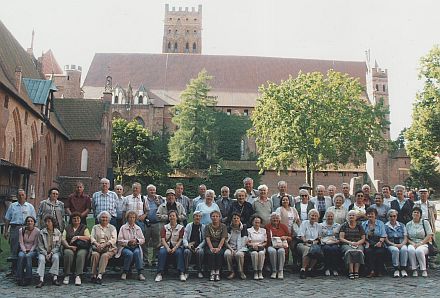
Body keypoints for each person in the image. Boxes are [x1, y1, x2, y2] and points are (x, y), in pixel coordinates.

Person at [3, 189, 36, 275]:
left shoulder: (30, 206)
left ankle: (23, 269)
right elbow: (7, 218)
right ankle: (13, 269)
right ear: (17, 196)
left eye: (22, 195)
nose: (21, 197)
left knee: (24, 248)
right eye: (19, 195)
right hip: (15, 228)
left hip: (26, 229)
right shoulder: (12, 206)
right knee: (14, 248)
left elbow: (34, 219)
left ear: (25, 196)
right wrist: (6, 231)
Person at [155, 210, 186, 282]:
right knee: (162, 252)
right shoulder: (164, 227)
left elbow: (181, 239)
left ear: (176, 217)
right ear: (168, 218)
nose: (172, 217)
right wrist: (167, 248)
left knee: (179, 252)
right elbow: (163, 239)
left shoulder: (181, 228)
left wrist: (175, 248)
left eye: (173, 216)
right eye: (170, 216)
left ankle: (181, 273)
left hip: (177, 246)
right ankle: (159, 273)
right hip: (167, 246)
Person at [61, 212, 90, 286]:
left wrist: (78, 237)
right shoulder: (67, 228)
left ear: (80, 219)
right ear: (71, 219)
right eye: (74, 218)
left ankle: (78, 275)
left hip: (81, 247)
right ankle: (67, 274)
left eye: (78, 218)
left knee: (81, 254)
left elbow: (88, 237)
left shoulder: (84, 227)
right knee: (68, 253)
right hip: (69, 247)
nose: (76, 220)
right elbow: (63, 239)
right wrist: (69, 247)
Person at [116, 210, 146, 281]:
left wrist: (137, 241)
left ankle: (140, 273)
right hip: (125, 247)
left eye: (133, 217)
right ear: (127, 218)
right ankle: (125, 272)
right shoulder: (123, 227)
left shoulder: (138, 228)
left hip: (135, 246)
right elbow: (119, 240)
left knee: (136, 253)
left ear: (135, 219)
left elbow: (143, 239)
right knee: (129, 254)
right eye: (130, 217)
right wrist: (128, 242)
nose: (132, 219)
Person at [90, 211, 117, 284]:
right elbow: (92, 237)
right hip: (97, 247)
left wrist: (105, 244)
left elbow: (113, 239)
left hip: (109, 248)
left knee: (104, 256)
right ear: (99, 218)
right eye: (103, 217)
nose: (104, 219)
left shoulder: (112, 228)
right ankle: (93, 274)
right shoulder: (95, 227)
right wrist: (97, 244)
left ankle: (100, 275)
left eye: (106, 217)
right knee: (95, 254)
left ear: (109, 219)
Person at [406, 206, 433, 277]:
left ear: (420, 214)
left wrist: (421, 243)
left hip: (424, 243)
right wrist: (412, 243)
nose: (416, 214)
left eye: (418, 212)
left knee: (419, 251)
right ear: (411, 214)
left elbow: (429, 235)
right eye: (414, 212)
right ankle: (414, 269)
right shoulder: (408, 224)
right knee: (410, 250)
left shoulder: (425, 222)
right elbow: (406, 237)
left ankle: (423, 269)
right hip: (412, 243)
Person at [36, 215, 62, 288]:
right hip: (43, 252)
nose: (47, 223)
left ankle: (55, 278)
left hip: (53, 252)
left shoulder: (57, 233)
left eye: (49, 221)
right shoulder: (42, 232)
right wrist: (45, 253)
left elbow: (58, 246)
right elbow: (40, 245)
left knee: (56, 258)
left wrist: (51, 253)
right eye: (46, 222)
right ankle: (41, 279)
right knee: (41, 259)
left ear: (53, 222)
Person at [339, 210, 366, 279]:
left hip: (358, 243)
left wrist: (357, 243)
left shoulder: (359, 226)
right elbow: (341, 238)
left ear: (356, 217)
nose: (351, 216)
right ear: (347, 217)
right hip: (346, 244)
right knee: (350, 251)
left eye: (353, 215)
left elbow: (363, 238)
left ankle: (356, 271)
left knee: (359, 251)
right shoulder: (344, 225)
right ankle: (351, 271)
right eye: (350, 215)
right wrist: (350, 242)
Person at [362, 207, 387, 277]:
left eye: (372, 214)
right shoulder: (363, 224)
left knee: (380, 252)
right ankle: (371, 270)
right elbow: (362, 236)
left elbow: (383, 234)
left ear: (375, 215)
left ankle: (379, 271)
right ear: (366, 215)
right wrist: (367, 236)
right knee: (368, 251)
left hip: (378, 241)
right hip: (368, 242)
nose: (370, 216)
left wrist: (380, 242)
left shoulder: (380, 223)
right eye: (368, 214)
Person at [297, 209, 322, 279]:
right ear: (309, 216)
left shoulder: (318, 226)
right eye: (312, 215)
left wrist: (314, 242)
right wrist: (305, 241)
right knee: (307, 249)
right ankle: (303, 270)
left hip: (314, 243)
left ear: (317, 217)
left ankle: (310, 269)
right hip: (303, 243)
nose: (313, 217)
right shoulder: (304, 223)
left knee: (315, 249)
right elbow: (301, 235)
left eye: (315, 216)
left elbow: (320, 237)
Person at [144, 184, 164, 266]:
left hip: (156, 223)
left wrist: (158, 203)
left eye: (153, 190)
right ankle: (145, 260)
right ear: (147, 191)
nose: (152, 192)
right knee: (145, 241)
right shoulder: (144, 199)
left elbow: (163, 209)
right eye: (150, 190)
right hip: (147, 223)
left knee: (157, 242)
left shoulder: (159, 198)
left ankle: (154, 260)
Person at [204, 210, 228, 281]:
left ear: (219, 217)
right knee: (210, 253)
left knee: (219, 254)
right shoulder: (208, 226)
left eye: (217, 216)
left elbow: (223, 238)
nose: (215, 218)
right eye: (213, 216)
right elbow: (207, 238)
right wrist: (211, 248)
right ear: (210, 217)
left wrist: (219, 248)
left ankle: (217, 272)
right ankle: (212, 272)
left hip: (220, 245)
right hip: (210, 245)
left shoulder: (223, 226)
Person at [266, 212, 290, 279]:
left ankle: (280, 270)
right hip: (271, 245)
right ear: (271, 219)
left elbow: (290, 237)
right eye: (273, 218)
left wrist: (285, 237)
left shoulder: (283, 226)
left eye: (277, 218)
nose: (275, 220)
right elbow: (264, 237)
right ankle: (274, 270)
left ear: (279, 219)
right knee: (272, 251)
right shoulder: (267, 226)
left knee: (281, 251)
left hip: (281, 245)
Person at [385, 209, 409, 278]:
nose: (392, 218)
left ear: (396, 216)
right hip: (391, 243)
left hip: (401, 242)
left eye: (394, 216)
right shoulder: (385, 226)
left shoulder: (402, 225)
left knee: (404, 249)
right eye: (391, 216)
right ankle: (396, 269)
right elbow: (386, 240)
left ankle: (403, 268)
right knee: (395, 250)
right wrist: (394, 244)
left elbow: (405, 237)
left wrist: (402, 244)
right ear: (388, 217)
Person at [16, 216, 39, 286]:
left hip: (33, 250)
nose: (30, 222)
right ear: (26, 222)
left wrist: (30, 250)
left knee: (28, 256)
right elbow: (21, 242)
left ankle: (28, 277)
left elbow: (36, 243)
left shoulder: (37, 231)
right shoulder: (21, 230)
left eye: (31, 221)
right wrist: (24, 250)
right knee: (20, 256)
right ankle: (19, 278)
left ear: (34, 222)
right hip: (23, 249)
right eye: (28, 221)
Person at [224, 212, 248, 280]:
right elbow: (226, 242)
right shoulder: (228, 228)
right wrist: (231, 250)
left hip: (241, 247)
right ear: (231, 219)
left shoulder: (244, 228)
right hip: (230, 247)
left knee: (239, 255)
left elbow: (245, 241)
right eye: (234, 218)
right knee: (227, 254)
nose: (236, 219)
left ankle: (241, 271)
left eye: (237, 218)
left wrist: (238, 250)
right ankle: (231, 271)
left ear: (240, 219)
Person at [183, 210, 205, 279]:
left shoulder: (203, 227)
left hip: (199, 246)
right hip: (189, 246)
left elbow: (204, 240)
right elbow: (184, 238)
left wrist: (198, 247)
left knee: (200, 252)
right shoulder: (189, 226)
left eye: (199, 216)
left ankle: (199, 271)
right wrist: (187, 245)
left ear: (201, 218)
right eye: (196, 216)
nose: (197, 218)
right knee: (186, 252)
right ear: (193, 217)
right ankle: (186, 271)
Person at [320, 210, 341, 276]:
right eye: (328, 216)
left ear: (333, 217)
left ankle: (334, 268)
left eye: (331, 216)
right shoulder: (321, 225)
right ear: (325, 217)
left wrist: (337, 241)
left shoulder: (338, 225)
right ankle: (327, 268)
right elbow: (319, 236)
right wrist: (323, 241)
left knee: (335, 249)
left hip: (335, 242)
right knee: (327, 249)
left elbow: (340, 236)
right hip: (325, 243)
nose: (330, 218)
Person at [246, 216, 267, 280]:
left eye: (258, 222)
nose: (257, 224)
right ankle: (255, 271)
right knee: (254, 253)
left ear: (260, 223)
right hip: (252, 247)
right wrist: (253, 245)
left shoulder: (263, 230)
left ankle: (260, 271)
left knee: (261, 253)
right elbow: (247, 242)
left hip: (261, 247)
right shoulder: (249, 230)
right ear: (252, 222)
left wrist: (261, 246)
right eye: (255, 222)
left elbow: (265, 242)